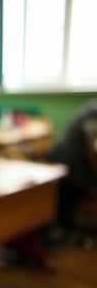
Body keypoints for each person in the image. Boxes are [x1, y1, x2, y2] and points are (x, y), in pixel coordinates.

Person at [50, 101, 97, 237]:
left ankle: (65, 228)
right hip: (69, 162)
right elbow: (92, 149)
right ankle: (64, 230)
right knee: (68, 198)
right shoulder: (93, 113)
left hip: (70, 162)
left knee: (68, 200)